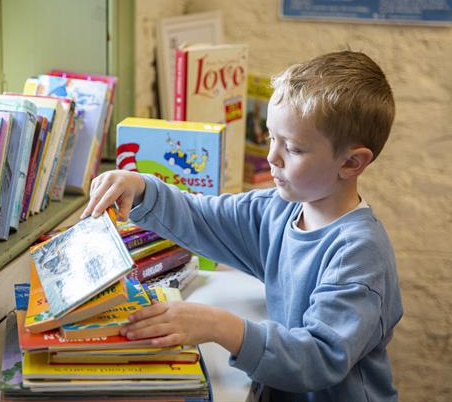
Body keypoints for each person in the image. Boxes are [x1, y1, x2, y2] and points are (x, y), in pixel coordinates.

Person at [81, 51, 403, 401]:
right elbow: (201, 217)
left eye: (293, 148)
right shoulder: (279, 210)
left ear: (351, 162)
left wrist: (217, 325)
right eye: (270, 137)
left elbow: (319, 359)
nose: (271, 157)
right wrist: (141, 188)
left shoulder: (359, 253)